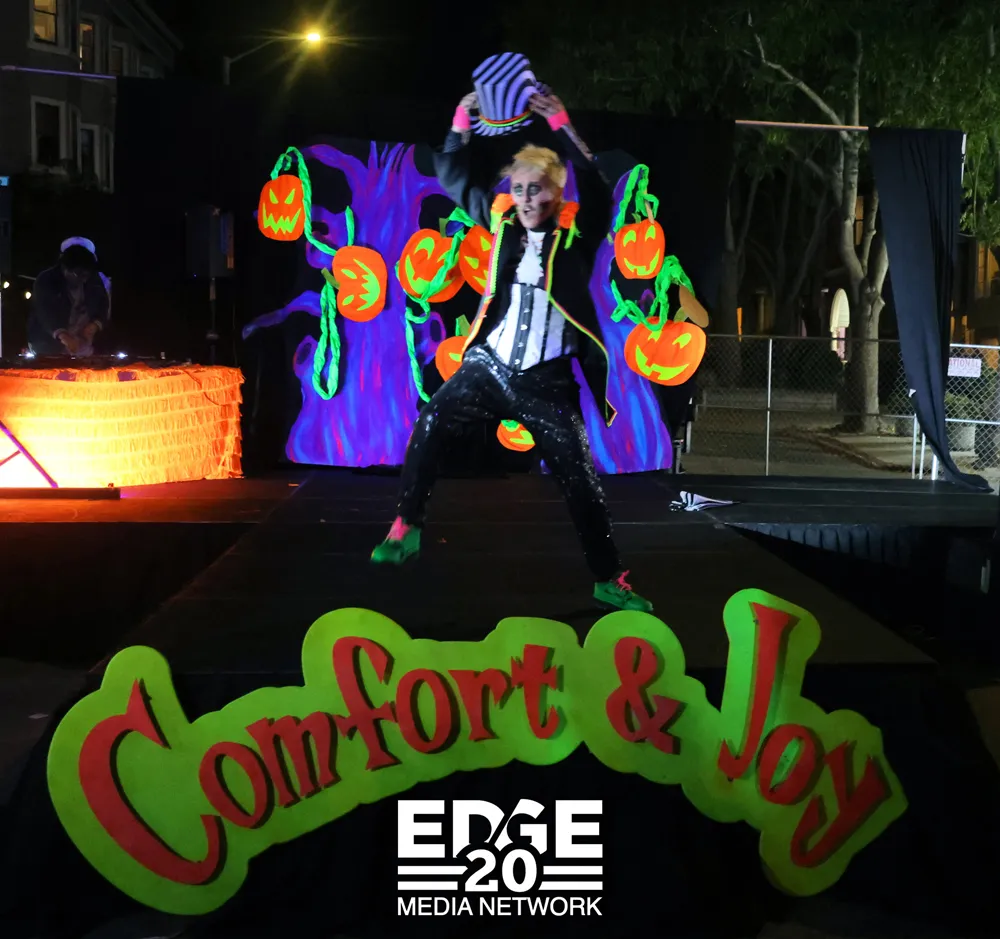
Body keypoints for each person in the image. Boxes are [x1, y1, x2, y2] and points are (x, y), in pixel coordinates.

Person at [371, 89, 652, 613]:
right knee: (431, 421)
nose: (524, 198)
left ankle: (609, 578)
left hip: (546, 383)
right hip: (488, 366)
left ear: (556, 194)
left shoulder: (576, 239)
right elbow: (455, 177)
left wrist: (561, 122)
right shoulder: (502, 228)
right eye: (518, 189)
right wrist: (461, 118)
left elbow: (595, 184)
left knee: (581, 481)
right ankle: (407, 526)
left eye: (536, 189)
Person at [27, 237, 109, 357]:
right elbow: (44, 312)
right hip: (47, 343)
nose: (83, 279)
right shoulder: (46, 280)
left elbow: (103, 304)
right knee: (51, 367)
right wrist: (62, 334)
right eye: (78, 274)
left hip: (82, 343)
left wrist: (95, 324)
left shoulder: (93, 279)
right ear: (65, 269)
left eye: (86, 275)